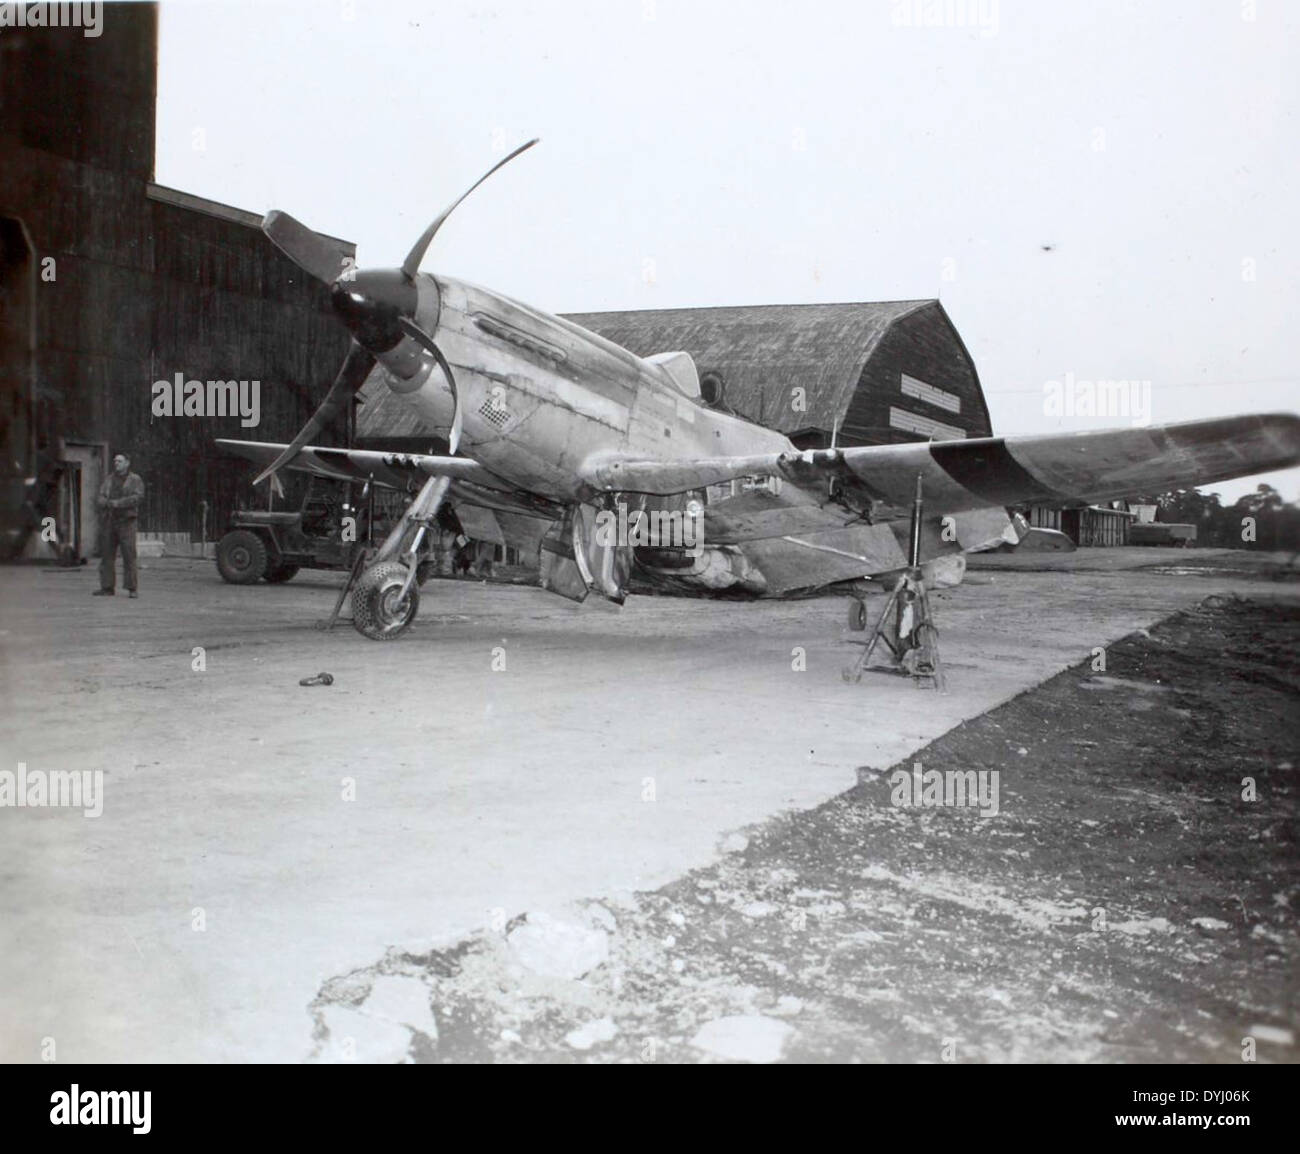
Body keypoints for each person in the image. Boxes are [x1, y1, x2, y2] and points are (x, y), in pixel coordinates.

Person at [94, 452, 144, 597]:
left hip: (127, 522)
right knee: (107, 555)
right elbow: (101, 495)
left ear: (127, 463)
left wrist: (119, 503)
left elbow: (138, 497)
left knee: (129, 555)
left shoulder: (135, 479)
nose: (116, 464)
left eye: (120, 461)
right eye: (115, 461)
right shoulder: (109, 479)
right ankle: (107, 587)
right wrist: (103, 502)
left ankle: (132, 588)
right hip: (110, 521)